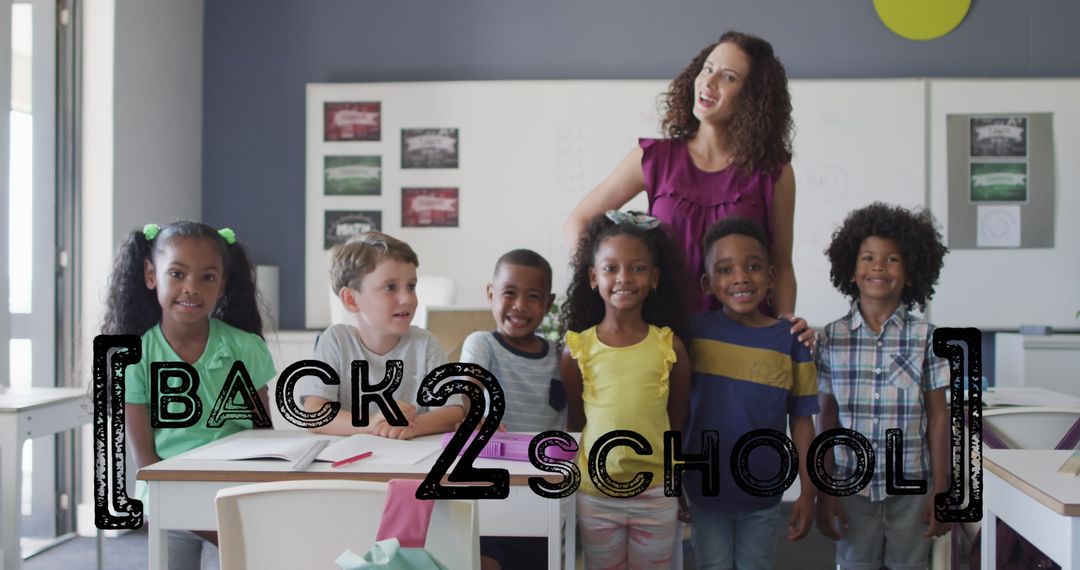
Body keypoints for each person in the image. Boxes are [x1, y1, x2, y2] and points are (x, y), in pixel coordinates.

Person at [565, 31, 799, 321]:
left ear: (753, 96)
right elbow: (580, 220)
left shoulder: (774, 172)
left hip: (743, 337)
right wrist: (602, 285)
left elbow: (782, 265)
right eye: (707, 69)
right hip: (664, 332)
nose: (709, 83)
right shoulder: (654, 157)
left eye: (728, 78)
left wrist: (785, 321)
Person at [106, 221, 275, 569]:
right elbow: (147, 464)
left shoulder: (246, 348)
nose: (191, 288)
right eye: (178, 274)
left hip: (232, 498)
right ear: (152, 275)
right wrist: (201, 524)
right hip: (169, 503)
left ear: (223, 283)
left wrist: (248, 514)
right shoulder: (133, 355)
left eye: (207, 277)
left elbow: (263, 439)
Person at [815, 203, 951, 570]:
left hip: (911, 488)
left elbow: (939, 417)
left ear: (910, 274)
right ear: (852, 271)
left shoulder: (926, 338)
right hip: (851, 487)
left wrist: (943, 488)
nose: (878, 266)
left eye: (892, 259)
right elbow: (825, 420)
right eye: (868, 258)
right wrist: (825, 491)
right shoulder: (831, 338)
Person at [684, 217, 819, 570]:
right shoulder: (691, 335)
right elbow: (674, 412)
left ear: (771, 277)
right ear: (707, 283)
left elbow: (803, 421)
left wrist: (808, 491)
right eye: (725, 270)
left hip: (763, 494)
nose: (741, 277)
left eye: (753, 267)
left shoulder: (792, 340)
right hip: (703, 491)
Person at [560, 210, 691, 569]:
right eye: (611, 268)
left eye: (637, 268)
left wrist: (677, 485)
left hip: (656, 494)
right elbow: (577, 422)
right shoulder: (577, 350)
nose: (624, 278)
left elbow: (676, 424)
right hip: (596, 496)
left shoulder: (670, 347)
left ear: (654, 277)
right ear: (592, 277)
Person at [295, 231, 464, 439]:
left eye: (411, 286)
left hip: (411, 462)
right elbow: (313, 412)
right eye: (390, 288)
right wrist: (373, 423)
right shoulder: (336, 341)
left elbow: (453, 412)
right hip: (348, 464)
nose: (407, 299)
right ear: (351, 300)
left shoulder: (425, 344)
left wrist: (409, 426)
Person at [459, 249, 565, 570]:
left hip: (542, 493)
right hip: (491, 492)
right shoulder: (483, 344)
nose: (520, 305)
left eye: (533, 297)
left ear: (548, 303)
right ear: (491, 294)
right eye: (508, 293)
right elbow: (467, 390)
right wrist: (476, 414)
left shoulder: (561, 355)